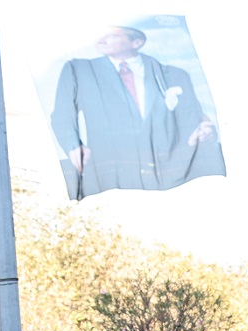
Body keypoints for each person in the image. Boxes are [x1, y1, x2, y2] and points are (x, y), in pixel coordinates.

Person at [48, 24, 224, 201]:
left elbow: (193, 116)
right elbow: (62, 115)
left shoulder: (173, 74)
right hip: (111, 173)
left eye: (113, 36)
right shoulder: (80, 70)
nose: (101, 40)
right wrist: (73, 146)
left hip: (173, 174)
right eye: (100, 36)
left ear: (136, 42)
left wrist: (204, 130)